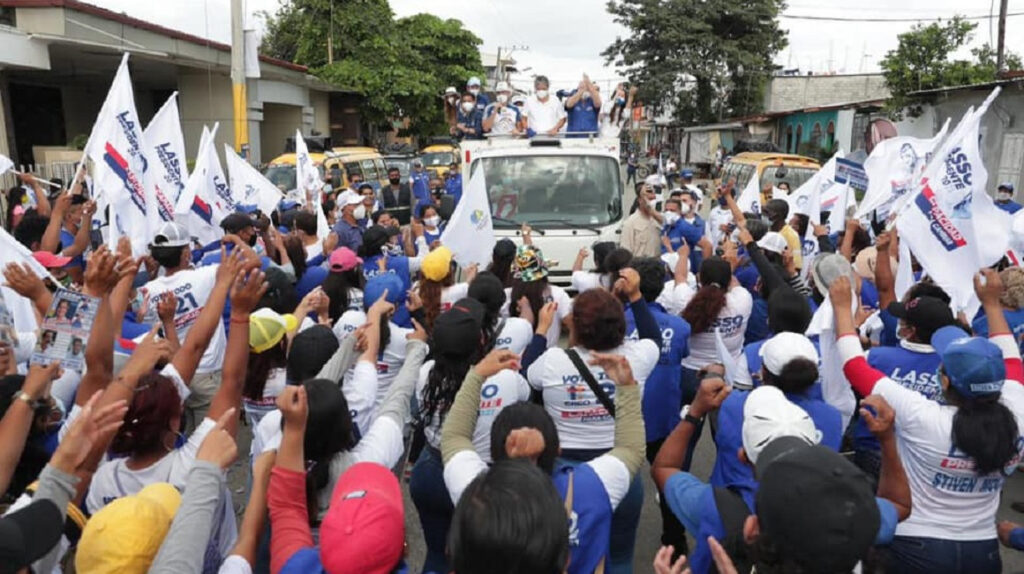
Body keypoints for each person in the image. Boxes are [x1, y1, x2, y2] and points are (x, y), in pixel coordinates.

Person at [831, 269, 1024, 574]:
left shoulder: (926, 418)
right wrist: (992, 303)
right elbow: (1012, 357)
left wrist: (842, 308)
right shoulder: (1018, 412)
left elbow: (855, 366)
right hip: (982, 551)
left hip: (916, 547)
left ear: (944, 381)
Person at [654, 378, 908, 574]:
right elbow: (899, 505)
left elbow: (664, 468)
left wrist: (694, 411)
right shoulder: (855, 514)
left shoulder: (715, 505)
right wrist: (887, 439)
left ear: (752, 529)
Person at [443, 348, 646, 574]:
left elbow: (454, 436)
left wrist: (476, 375)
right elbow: (630, 449)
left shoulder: (474, 491)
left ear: (492, 452)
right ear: (558, 449)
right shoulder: (591, 486)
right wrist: (626, 388)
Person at [527, 280, 660, 572]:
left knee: (561, 555)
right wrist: (636, 296)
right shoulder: (636, 358)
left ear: (574, 325)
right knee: (621, 555)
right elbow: (654, 338)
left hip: (563, 472)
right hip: (620, 466)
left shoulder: (552, 361)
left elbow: (528, 372)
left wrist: (541, 328)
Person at [134, 222, 237, 430]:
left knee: (181, 436)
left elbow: (144, 327)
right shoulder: (205, 275)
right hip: (207, 372)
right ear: (185, 253)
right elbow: (251, 263)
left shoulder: (146, 291)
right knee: (206, 440)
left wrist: (153, 277)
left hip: (175, 372)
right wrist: (237, 240)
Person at [851, 295, 953, 481]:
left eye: (903, 320)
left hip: (874, 450)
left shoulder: (874, 358)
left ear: (910, 331)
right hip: (929, 457)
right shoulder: (955, 367)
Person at [507, 244, 572, 347]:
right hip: (549, 359)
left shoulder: (506, 295)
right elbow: (574, 326)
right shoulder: (558, 294)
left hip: (515, 358)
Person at [621, 184, 662, 257]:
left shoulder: (659, 220)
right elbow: (625, 252)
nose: (652, 202)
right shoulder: (630, 223)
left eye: (654, 199)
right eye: (649, 199)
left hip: (657, 265)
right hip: (640, 265)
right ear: (640, 200)